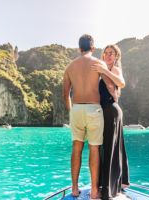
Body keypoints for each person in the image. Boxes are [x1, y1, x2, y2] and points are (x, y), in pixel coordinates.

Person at [63, 34, 104, 199]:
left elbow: (66, 94)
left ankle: (74, 188)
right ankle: (94, 190)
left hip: (77, 109)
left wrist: (71, 111)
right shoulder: (98, 63)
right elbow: (109, 85)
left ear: (79, 48)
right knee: (94, 148)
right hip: (94, 109)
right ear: (93, 48)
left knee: (76, 149)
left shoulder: (70, 67)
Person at [91, 44, 130, 199]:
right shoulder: (101, 71)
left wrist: (104, 71)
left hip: (110, 111)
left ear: (116, 56)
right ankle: (116, 184)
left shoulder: (114, 69)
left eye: (111, 53)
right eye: (106, 53)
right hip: (106, 111)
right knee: (110, 148)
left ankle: (108, 190)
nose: (108, 56)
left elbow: (121, 83)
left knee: (109, 149)